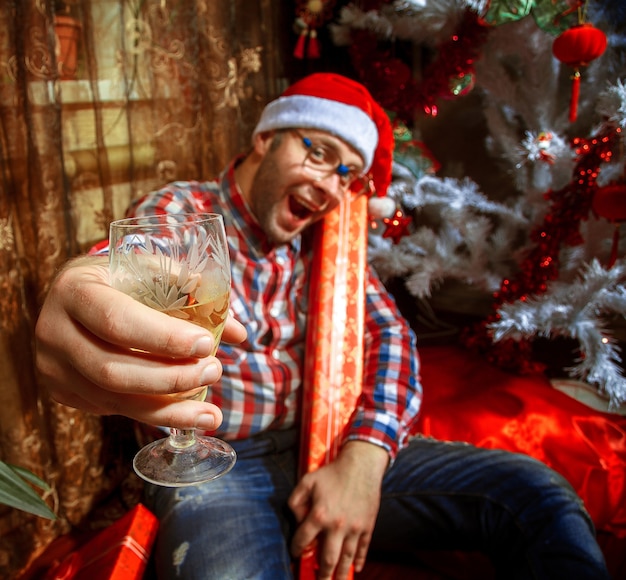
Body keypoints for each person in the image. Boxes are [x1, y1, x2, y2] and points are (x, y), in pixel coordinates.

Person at [35, 73, 610, 580]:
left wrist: (363, 459)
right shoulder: (186, 213)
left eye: (347, 174)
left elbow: (391, 339)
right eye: (320, 153)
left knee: (536, 496)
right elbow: (131, 264)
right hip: (217, 464)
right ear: (266, 139)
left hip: (329, 445)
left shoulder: (330, 249)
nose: (332, 185)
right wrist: (85, 285)